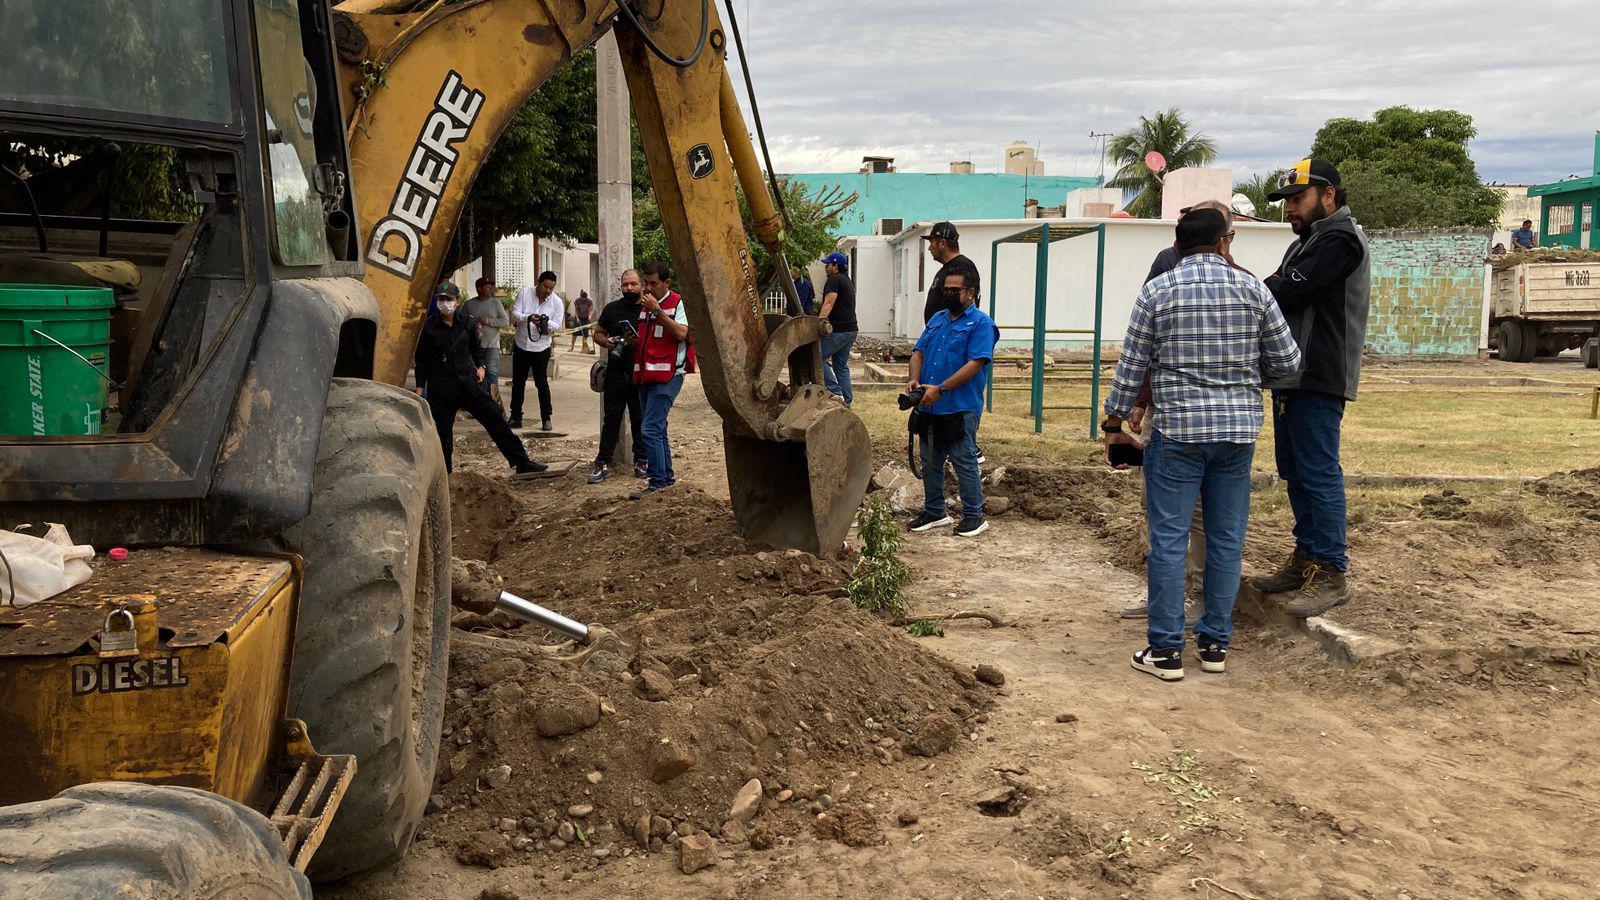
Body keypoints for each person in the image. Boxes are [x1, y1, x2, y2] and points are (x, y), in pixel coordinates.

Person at [1103, 208, 1302, 681]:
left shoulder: (1158, 291)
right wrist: (1246, 377)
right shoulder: (1253, 289)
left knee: (1169, 541)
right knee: (1226, 540)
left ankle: (1166, 651)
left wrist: (1113, 423)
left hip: (1177, 433)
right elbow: (1288, 362)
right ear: (1222, 242)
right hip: (1237, 435)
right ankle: (1215, 646)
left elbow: (1131, 367)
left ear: (1178, 245)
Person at [1250, 157, 1371, 619]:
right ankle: (1306, 559)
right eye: (1286, 201)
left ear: (1329, 195)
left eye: (1297, 198)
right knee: (1295, 471)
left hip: (1320, 374)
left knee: (1318, 471)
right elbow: (1279, 289)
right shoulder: (1308, 242)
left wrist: (1252, 290)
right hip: (1294, 376)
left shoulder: (1339, 239)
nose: (1289, 208)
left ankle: (1331, 571)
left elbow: (1287, 291)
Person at [1122, 200, 1239, 625]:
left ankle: (1195, 605)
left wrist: (1115, 417)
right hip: (1193, 419)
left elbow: (1134, 352)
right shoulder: (1168, 271)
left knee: (1199, 521)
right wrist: (1140, 400)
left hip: (1188, 426)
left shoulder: (1242, 284)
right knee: (1160, 510)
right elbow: (1284, 359)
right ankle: (1175, 604)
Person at [413, 282, 548, 479]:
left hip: (467, 384)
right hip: (441, 389)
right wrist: (419, 389)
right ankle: (445, 477)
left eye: (448, 299)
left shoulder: (466, 323)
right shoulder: (428, 327)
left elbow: (477, 349)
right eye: (440, 299)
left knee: (495, 417)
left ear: (457, 301)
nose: (444, 303)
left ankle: (522, 462)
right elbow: (422, 361)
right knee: (442, 436)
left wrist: (482, 367)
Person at [906, 268, 998, 538]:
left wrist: (942, 389)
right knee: (930, 460)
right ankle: (935, 511)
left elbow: (975, 363)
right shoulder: (938, 319)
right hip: (929, 405)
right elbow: (918, 351)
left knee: (963, 460)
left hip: (960, 406)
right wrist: (914, 379)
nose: (948, 294)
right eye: (945, 289)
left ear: (970, 293)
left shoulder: (981, 324)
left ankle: (974, 516)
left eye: (954, 290)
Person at [922, 221, 986, 463]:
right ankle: (948, 449)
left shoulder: (962, 267)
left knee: (955, 405)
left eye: (931, 242)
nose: (929, 248)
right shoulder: (946, 269)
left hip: (954, 349)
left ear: (942, 242)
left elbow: (968, 313)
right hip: (939, 345)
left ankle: (969, 451)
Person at [631, 260, 694, 500]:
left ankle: (657, 483)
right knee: (658, 429)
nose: (647, 288)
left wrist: (657, 311)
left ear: (667, 282)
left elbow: (681, 333)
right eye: (645, 283)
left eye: (653, 283)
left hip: (668, 377)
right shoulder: (645, 305)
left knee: (649, 429)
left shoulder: (677, 303)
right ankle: (665, 480)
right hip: (646, 376)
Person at [588, 271, 648, 484]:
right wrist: (607, 342)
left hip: (641, 374)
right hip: (615, 373)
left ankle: (642, 460)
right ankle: (602, 462)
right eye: (625, 284)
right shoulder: (612, 309)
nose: (628, 288)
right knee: (612, 419)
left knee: (639, 418)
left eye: (633, 284)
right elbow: (598, 333)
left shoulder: (650, 309)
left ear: (642, 285)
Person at [508, 270, 565, 430]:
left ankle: (546, 418)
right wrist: (528, 317)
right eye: (545, 286)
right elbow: (515, 313)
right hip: (522, 345)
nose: (548, 291)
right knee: (518, 382)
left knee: (542, 383)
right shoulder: (525, 293)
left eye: (551, 288)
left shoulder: (556, 302)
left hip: (541, 347)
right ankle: (515, 416)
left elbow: (557, 325)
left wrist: (544, 322)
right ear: (538, 283)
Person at [818, 252, 859, 406]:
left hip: (839, 330)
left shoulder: (834, 280)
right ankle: (846, 401)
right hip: (851, 329)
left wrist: (819, 323)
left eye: (828, 264)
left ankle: (836, 392)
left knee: (817, 357)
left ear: (836, 266)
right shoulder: (847, 280)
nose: (825, 267)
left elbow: (829, 303)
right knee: (840, 365)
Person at [464, 277, 509, 407]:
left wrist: (488, 321)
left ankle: (495, 404)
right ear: (479, 289)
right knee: (475, 375)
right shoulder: (469, 304)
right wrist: (472, 323)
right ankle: (477, 404)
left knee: (492, 374)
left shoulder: (496, 303)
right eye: (487, 286)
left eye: (491, 286)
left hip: (491, 346)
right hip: (474, 347)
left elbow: (505, 322)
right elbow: (461, 321)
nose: (490, 289)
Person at [569, 289, 595, 354]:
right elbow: (576, 310)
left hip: (586, 318)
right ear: (581, 297)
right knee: (575, 333)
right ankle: (572, 347)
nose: (584, 301)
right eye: (582, 299)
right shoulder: (577, 301)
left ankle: (583, 348)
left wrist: (590, 316)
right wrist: (577, 318)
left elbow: (591, 310)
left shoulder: (589, 301)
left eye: (585, 299)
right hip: (579, 318)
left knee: (585, 333)